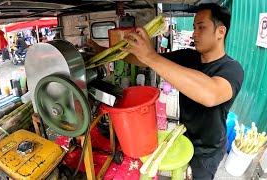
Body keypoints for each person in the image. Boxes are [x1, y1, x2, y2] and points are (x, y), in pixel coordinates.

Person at [87, 3, 244, 180]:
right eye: (194, 28)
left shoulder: (231, 69)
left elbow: (210, 95)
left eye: (201, 27)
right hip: (183, 135)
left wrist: (151, 56)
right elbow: (144, 61)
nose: (194, 34)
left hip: (207, 151)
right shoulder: (188, 56)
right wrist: (104, 52)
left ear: (220, 32)